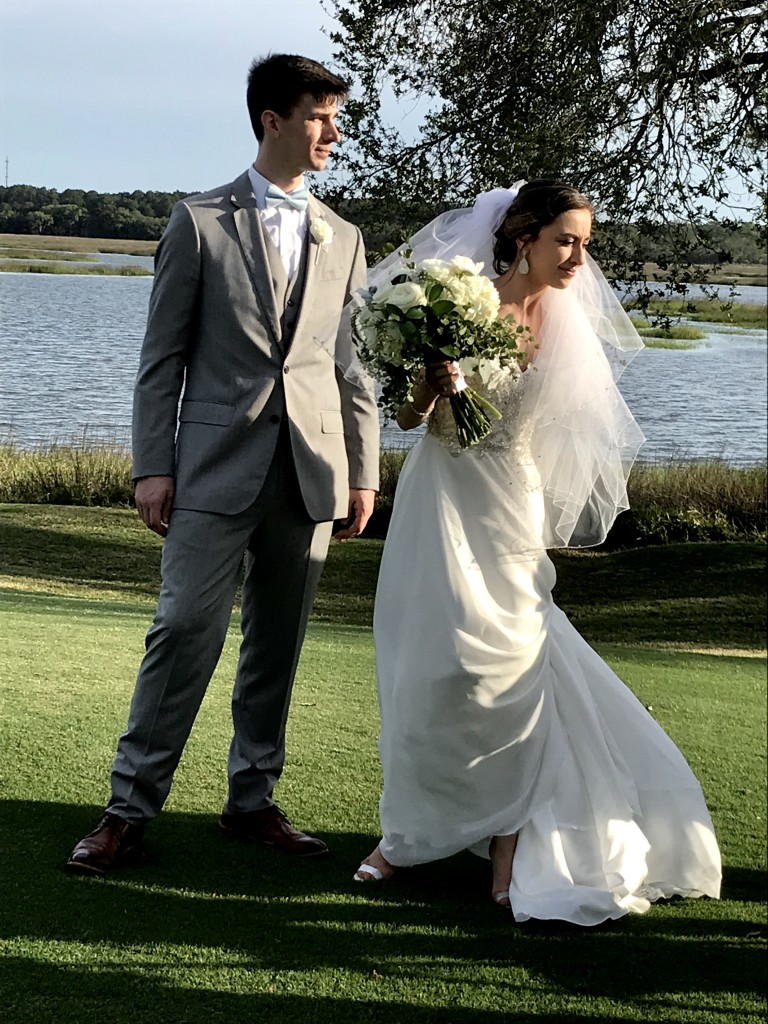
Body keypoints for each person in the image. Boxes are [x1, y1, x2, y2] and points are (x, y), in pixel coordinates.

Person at [353, 181, 721, 925]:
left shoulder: (565, 326)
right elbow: (407, 416)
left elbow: (566, 434)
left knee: (509, 666)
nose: (579, 259)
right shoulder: (453, 301)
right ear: (523, 237)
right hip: (440, 499)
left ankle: (508, 843)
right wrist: (430, 387)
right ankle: (409, 834)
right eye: (566, 241)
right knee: (430, 665)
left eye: (586, 244)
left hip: (508, 502)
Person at [67, 53, 380, 875]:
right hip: (209, 469)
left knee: (278, 644)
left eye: (335, 115)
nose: (333, 131)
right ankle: (127, 811)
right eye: (318, 115)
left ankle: (251, 802)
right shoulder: (197, 222)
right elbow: (160, 359)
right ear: (271, 120)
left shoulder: (345, 238)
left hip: (309, 472)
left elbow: (351, 369)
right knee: (182, 631)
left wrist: (364, 471)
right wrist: (152, 465)